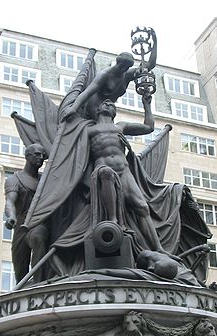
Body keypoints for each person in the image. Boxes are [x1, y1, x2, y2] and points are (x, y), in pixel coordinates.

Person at [87, 94, 168, 254]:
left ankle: (158, 248)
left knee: (142, 207)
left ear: (114, 112)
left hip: (124, 170)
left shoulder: (120, 126)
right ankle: (113, 221)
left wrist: (147, 105)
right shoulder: (89, 130)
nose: (108, 104)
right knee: (107, 173)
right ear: (97, 109)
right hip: (102, 169)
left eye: (112, 104)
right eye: (105, 102)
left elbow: (148, 127)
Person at [62, 29, 157, 121]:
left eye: (126, 67)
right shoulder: (105, 75)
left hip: (108, 109)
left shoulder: (127, 74)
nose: (123, 69)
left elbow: (149, 65)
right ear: (117, 63)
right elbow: (87, 93)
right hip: (95, 107)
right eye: (122, 66)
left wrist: (154, 43)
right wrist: (73, 109)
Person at [4, 143, 48, 284]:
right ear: (27, 156)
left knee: (38, 237)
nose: (40, 158)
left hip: (39, 222)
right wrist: (11, 216)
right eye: (37, 154)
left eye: (43, 155)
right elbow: (10, 201)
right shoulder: (14, 179)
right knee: (20, 266)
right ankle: (22, 289)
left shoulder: (45, 180)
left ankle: (38, 283)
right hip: (21, 224)